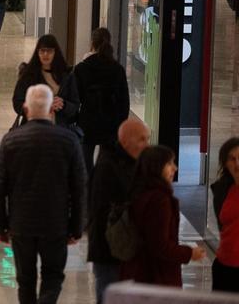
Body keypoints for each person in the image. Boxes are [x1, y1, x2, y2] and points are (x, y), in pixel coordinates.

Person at [0, 84, 87, 304]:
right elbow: (79, 188)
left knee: (25, 280)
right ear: (52, 109)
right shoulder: (68, 141)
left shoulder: (11, 141)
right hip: (56, 224)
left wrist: (1, 225)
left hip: (21, 224)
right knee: (53, 277)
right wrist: (76, 227)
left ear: (26, 109)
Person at [86, 118, 150, 303]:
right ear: (125, 140)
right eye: (142, 139)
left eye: (147, 138)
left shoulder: (129, 163)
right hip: (110, 251)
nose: (147, 145)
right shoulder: (109, 167)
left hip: (121, 249)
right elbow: (103, 212)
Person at [120, 145, 205, 286]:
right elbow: (160, 245)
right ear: (156, 167)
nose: (175, 168)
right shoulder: (160, 200)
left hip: (137, 271)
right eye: (169, 163)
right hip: (157, 277)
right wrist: (190, 253)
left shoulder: (138, 192)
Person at [73, 27, 130, 173]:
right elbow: (124, 101)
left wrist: (75, 119)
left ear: (92, 43)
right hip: (111, 122)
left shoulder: (82, 68)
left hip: (88, 121)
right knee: (107, 160)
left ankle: (89, 184)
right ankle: (102, 182)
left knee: (85, 159)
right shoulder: (117, 69)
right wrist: (120, 122)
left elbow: (75, 98)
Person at [12, 34, 80, 127]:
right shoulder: (28, 74)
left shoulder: (67, 75)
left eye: (49, 51)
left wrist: (63, 105)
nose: (45, 54)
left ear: (55, 53)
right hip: (34, 127)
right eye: (42, 51)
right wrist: (36, 106)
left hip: (60, 128)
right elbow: (17, 103)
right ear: (37, 52)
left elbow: (75, 105)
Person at [212, 137, 239, 292]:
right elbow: (223, 226)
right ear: (225, 163)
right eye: (232, 159)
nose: (237, 163)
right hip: (224, 266)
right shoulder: (223, 190)